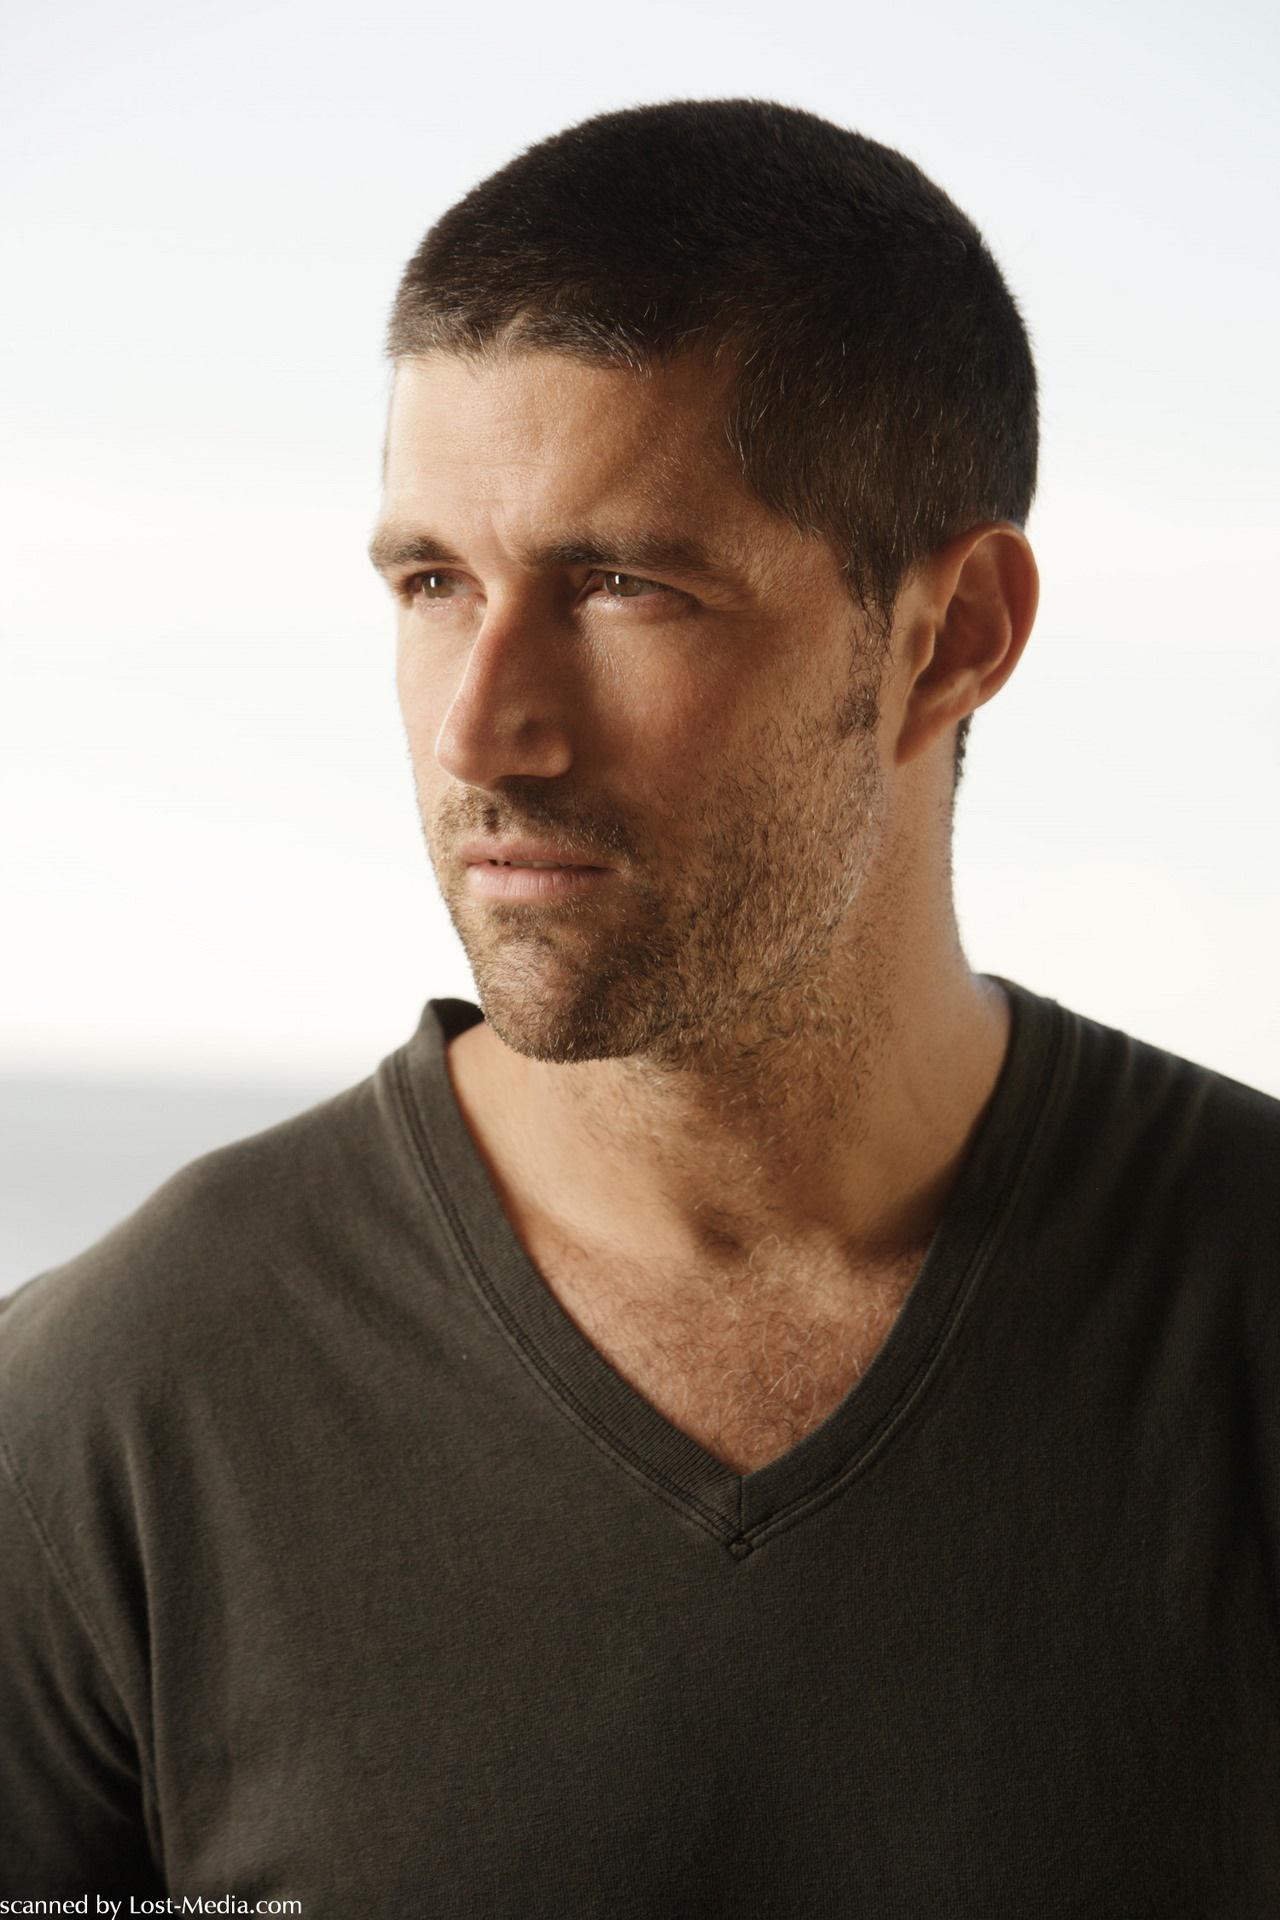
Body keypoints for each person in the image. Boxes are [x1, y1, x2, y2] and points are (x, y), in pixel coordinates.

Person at [1, 97, 1277, 1913]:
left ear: (955, 635)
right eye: (433, 584)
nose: (481, 730)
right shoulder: (102, 1421)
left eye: (620, 586)